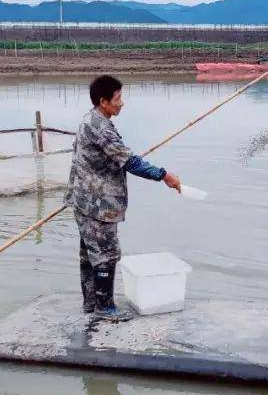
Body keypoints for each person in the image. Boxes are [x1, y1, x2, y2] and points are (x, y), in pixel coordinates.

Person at [65, 75, 181, 321]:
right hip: (97, 205)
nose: (122, 103)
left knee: (90, 256)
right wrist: (163, 175)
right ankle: (104, 307)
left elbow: (117, 157)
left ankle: (91, 304)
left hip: (83, 200)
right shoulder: (101, 127)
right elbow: (130, 162)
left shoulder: (90, 119)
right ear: (103, 101)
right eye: (118, 98)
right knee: (106, 254)